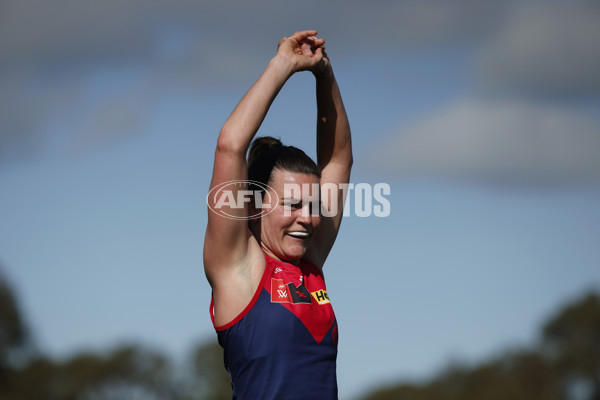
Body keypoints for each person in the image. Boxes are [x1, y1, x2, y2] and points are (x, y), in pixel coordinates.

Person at [204, 30, 352, 399]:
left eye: (314, 205)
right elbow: (230, 145)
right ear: (253, 205)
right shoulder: (238, 268)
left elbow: (338, 159)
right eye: (292, 204)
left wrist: (324, 74)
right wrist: (284, 65)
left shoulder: (311, 262)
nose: (307, 218)